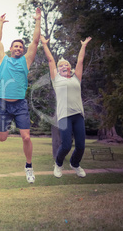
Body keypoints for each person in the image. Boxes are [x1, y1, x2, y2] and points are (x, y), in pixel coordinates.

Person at [0, 8, 41, 183]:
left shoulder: (26, 61)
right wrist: (0, 22)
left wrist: (38, 20)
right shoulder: (3, 60)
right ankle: (3, 126)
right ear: (11, 49)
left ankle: (28, 166)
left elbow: (35, 42)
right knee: (2, 138)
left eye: (21, 46)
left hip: (20, 104)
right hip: (3, 105)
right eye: (16, 46)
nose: (19, 48)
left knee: (26, 136)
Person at [41, 35, 92, 178]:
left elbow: (81, 61)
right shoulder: (56, 80)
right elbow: (51, 60)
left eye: (66, 65)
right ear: (58, 70)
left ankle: (75, 164)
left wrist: (83, 46)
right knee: (66, 145)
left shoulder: (77, 78)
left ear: (70, 68)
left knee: (81, 146)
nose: (64, 66)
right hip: (64, 116)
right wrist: (45, 44)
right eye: (61, 66)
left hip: (78, 115)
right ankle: (58, 164)